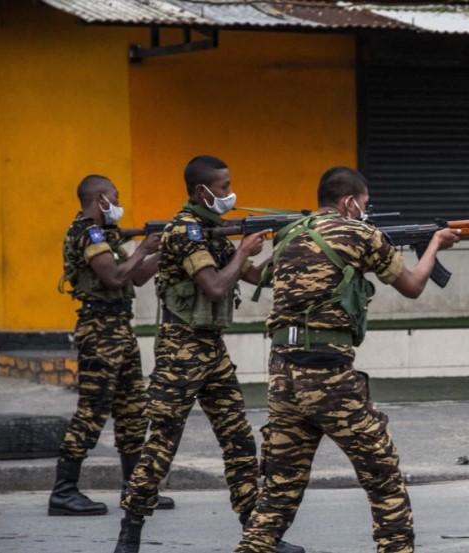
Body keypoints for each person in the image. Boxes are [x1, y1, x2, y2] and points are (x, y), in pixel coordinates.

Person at [233, 167, 460, 553]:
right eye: (364, 204)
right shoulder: (361, 233)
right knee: (383, 477)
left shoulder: (291, 234)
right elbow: (412, 286)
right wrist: (435, 243)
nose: (365, 211)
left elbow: (257, 276)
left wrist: (239, 255)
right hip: (328, 377)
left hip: (282, 375)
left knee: (279, 490)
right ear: (349, 202)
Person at [113, 156, 303, 553]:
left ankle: (258, 534)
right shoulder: (186, 230)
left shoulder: (211, 232)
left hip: (211, 349)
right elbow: (215, 286)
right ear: (203, 191)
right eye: (223, 186)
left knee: (239, 441)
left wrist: (287, 246)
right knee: (162, 444)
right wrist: (243, 251)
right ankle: (129, 533)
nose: (230, 193)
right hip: (180, 351)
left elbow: (256, 276)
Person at [51, 174, 174, 516]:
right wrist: (144, 248)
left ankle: (135, 489)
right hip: (99, 331)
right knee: (92, 411)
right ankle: (63, 491)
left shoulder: (106, 236)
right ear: (100, 199)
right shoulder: (89, 234)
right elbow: (114, 277)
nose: (119, 204)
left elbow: (137, 276)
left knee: (133, 411)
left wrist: (165, 250)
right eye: (115, 197)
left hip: (118, 328)